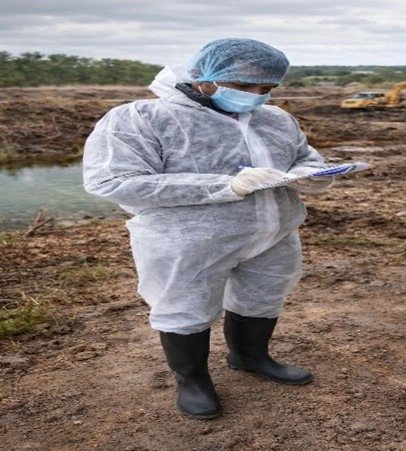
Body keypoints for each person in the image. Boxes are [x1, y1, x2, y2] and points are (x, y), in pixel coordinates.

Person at [83, 38, 334, 420]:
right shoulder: (140, 118)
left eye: (267, 88)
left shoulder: (276, 119)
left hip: (273, 231)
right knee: (185, 306)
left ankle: (250, 356)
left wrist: (311, 175)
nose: (256, 96)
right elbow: (114, 181)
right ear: (202, 75)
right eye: (244, 85)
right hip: (187, 239)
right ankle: (193, 380)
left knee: (263, 296)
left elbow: (304, 158)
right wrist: (225, 185)